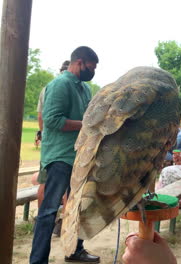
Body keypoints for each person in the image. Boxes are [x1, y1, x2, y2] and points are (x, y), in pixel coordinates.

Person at [30, 46, 100, 264]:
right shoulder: (60, 85)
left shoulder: (85, 89)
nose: (93, 71)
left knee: (78, 208)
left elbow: (90, 116)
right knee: (49, 210)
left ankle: (75, 251)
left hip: (79, 157)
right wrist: (85, 125)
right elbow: (52, 120)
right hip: (59, 157)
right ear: (79, 62)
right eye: (92, 66)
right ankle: (38, 260)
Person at [33, 60, 70, 209]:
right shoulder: (57, 87)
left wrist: (44, 137)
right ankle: (65, 225)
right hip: (62, 148)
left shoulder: (48, 88)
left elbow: (40, 117)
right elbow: (44, 118)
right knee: (67, 187)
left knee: (45, 182)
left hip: (50, 146)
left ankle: (42, 221)